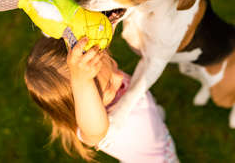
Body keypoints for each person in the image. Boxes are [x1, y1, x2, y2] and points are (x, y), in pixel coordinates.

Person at [24, 36, 179, 162]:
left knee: (155, 119)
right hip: (159, 158)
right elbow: (95, 130)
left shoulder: (108, 78)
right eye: (109, 85)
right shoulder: (99, 127)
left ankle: (155, 117)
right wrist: (82, 81)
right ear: (82, 101)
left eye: (113, 64)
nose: (120, 77)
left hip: (154, 128)